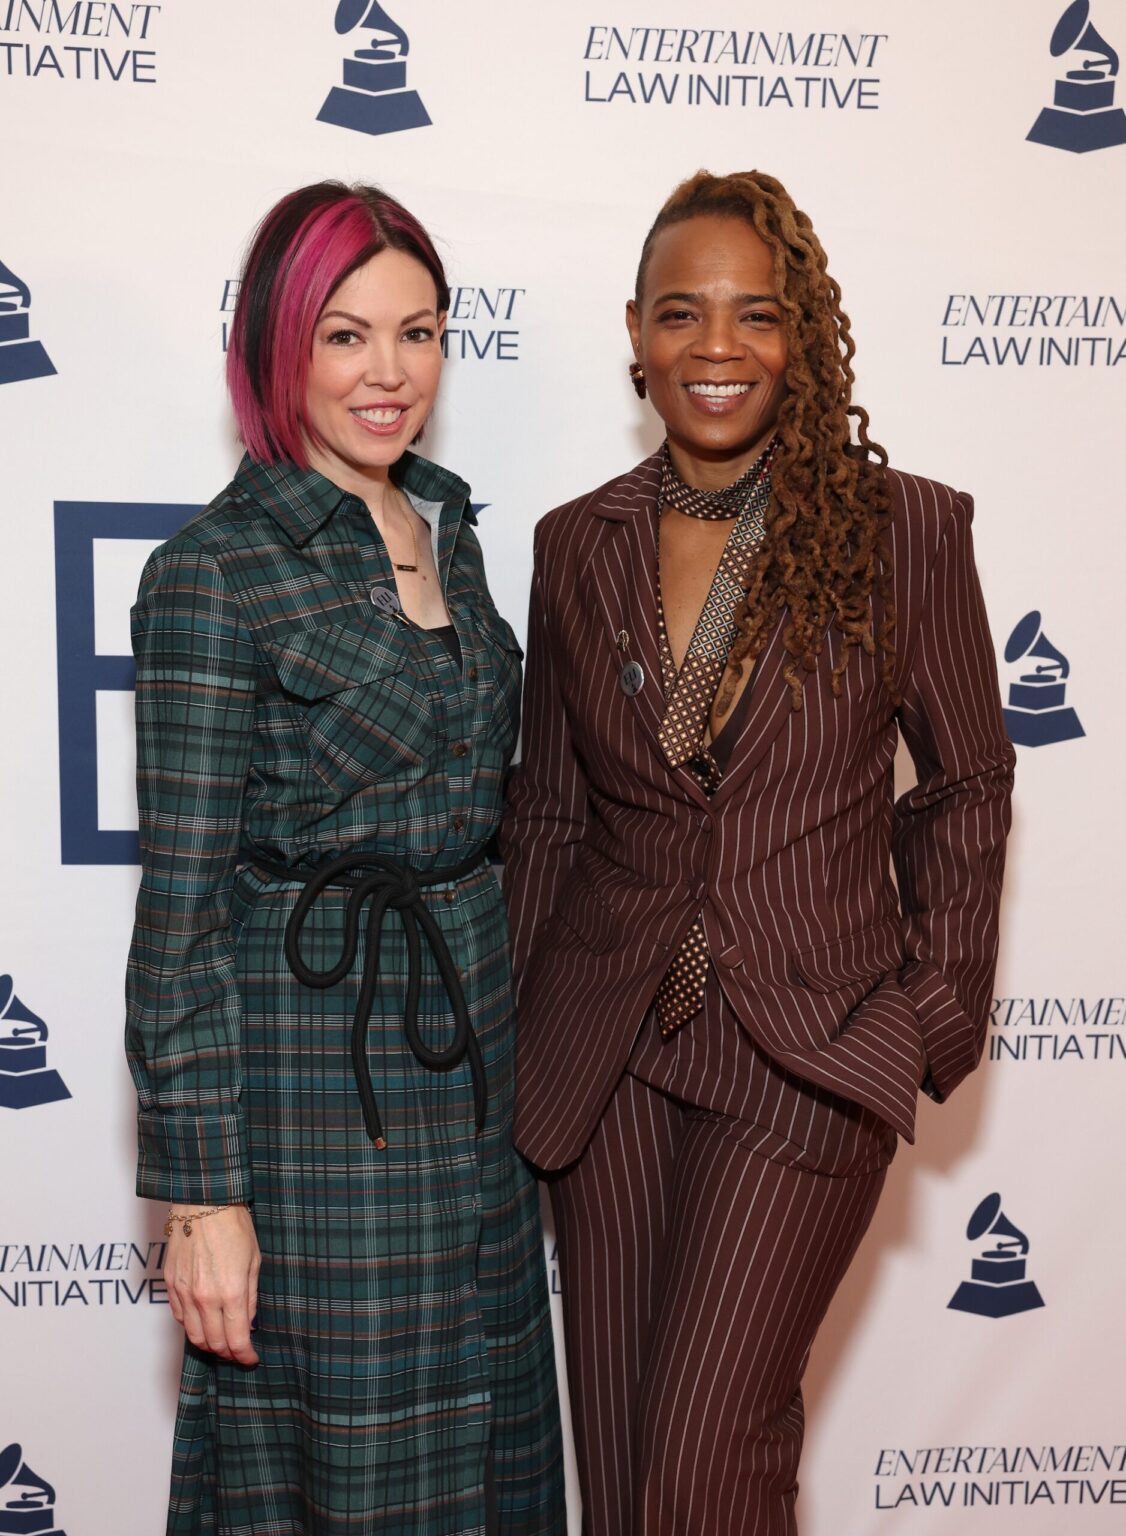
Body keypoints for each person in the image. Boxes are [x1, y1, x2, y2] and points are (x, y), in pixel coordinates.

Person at [500, 170, 1014, 1535]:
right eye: (680, 314)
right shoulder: (573, 547)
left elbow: (962, 784)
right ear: (633, 332)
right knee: (620, 1474)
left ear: (803, 334)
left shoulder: (903, 531)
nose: (714, 348)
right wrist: (523, 1037)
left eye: (754, 315)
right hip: (606, 1055)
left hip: (806, 1044)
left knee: (701, 1457)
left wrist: (931, 1017)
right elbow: (548, 814)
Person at [126, 181, 564, 1536]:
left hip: (471, 1052)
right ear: (273, 345)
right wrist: (201, 1193)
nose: (390, 372)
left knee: (487, 1448)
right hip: (320, 1082)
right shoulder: (214, 572)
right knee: (344, 1468)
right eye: (345, 335)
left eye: (418, 332)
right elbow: (181, 911)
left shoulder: (455, 532)